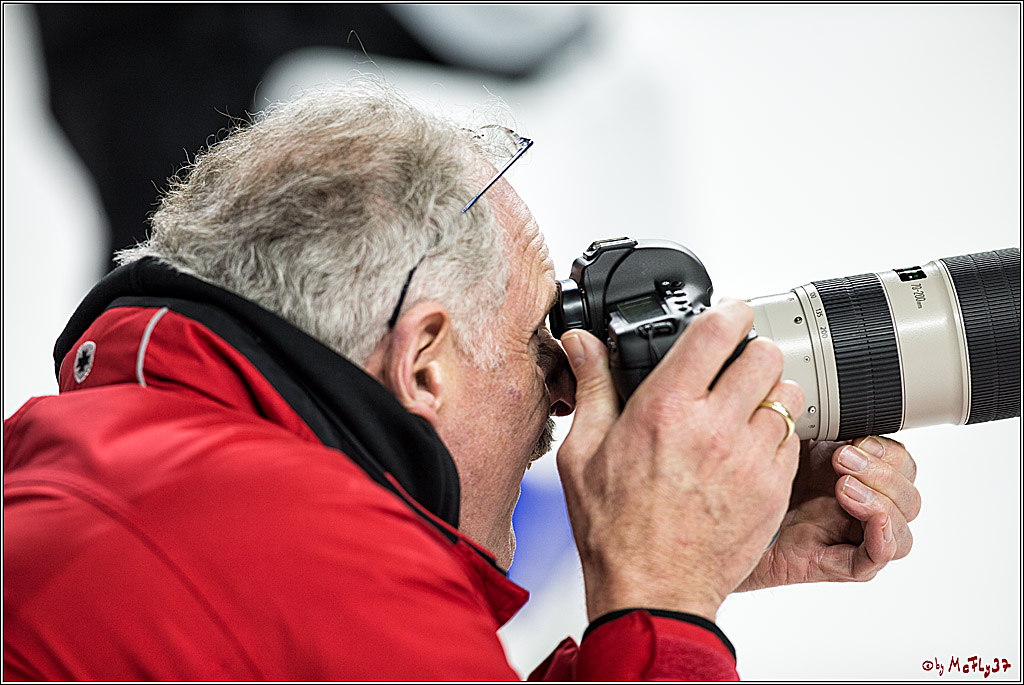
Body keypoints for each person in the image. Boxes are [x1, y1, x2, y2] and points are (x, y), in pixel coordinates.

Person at [3, 78, 921, 681]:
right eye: (540, 347)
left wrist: (675, 569)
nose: (562, 398)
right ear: (425, 359)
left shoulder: (103, 475)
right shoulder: (316, 550)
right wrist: (661, 599)